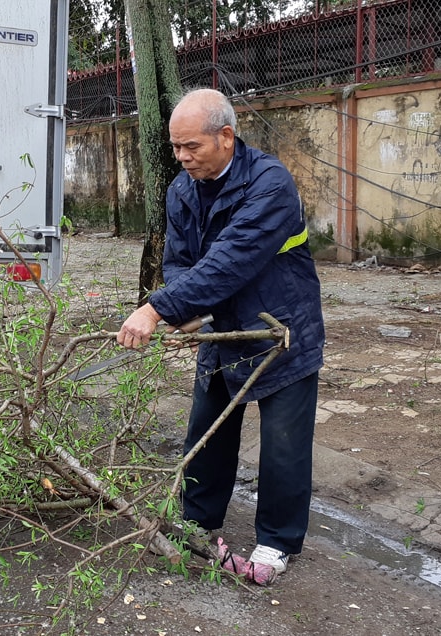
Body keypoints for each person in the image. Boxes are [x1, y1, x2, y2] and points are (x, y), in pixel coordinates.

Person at [116, 88, 324, 585]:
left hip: (281, 328)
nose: (183, 158)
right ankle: (197, 522)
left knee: (283, 444)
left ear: (226, 137)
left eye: (192, 147)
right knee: (206, 432)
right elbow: (180, 262)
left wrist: (158, 308)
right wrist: (188, 312)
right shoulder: (181, 191)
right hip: (222, 331)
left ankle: (276, 542)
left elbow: (233, 258)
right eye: (176, 148)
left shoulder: (270, 183)